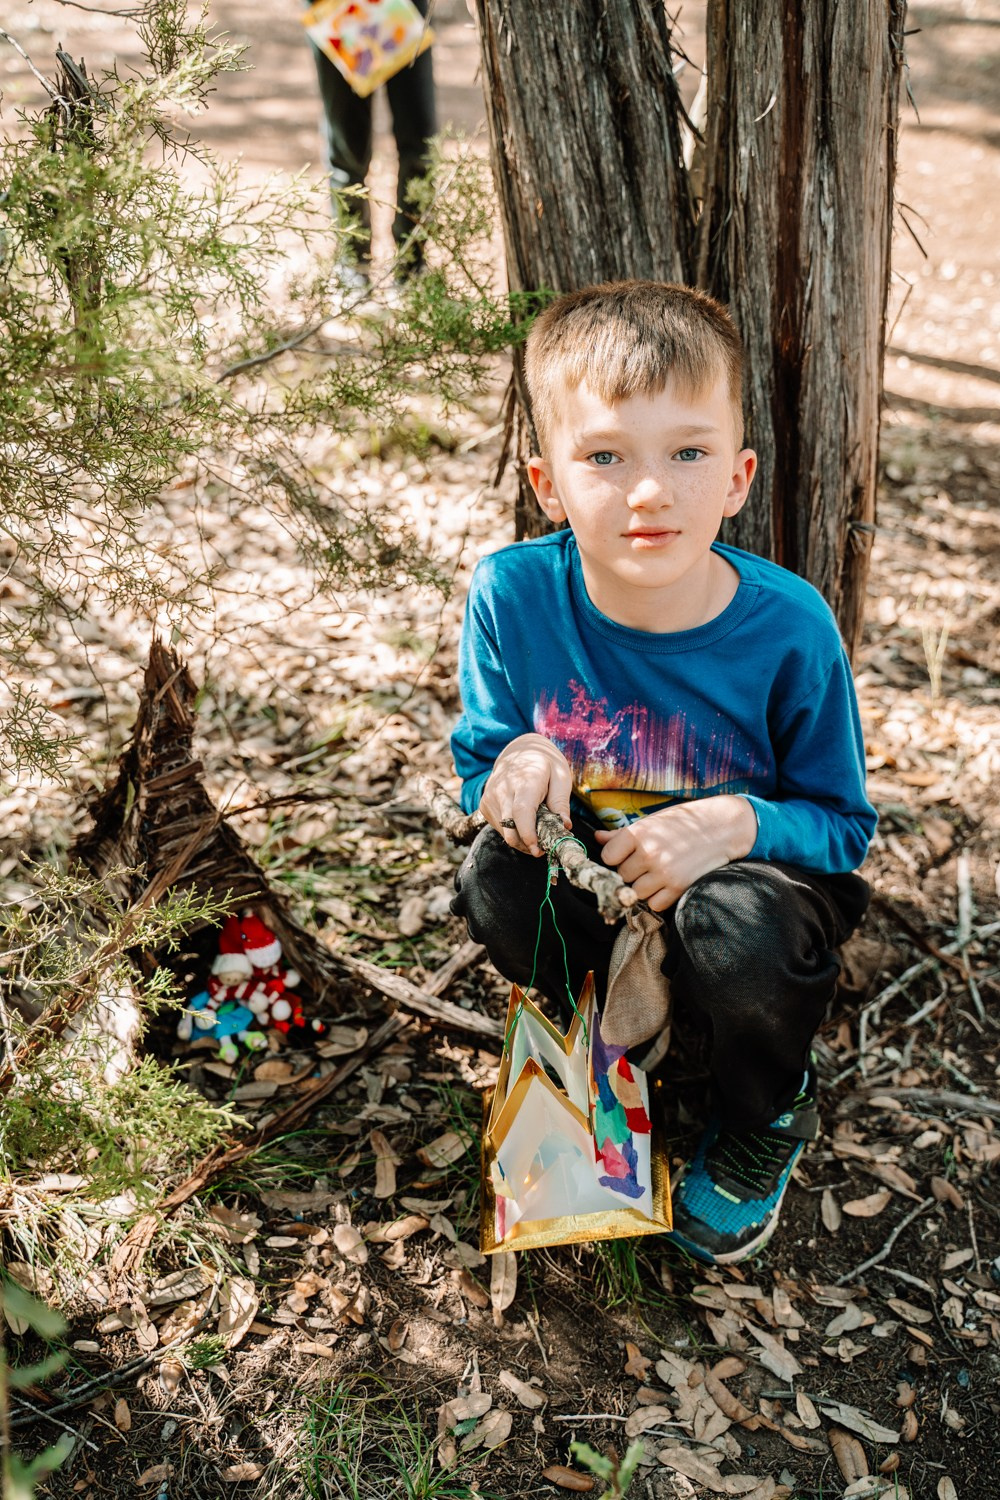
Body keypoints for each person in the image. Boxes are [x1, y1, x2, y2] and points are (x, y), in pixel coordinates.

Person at [450, 280, 876, 1266]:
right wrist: (520, 761)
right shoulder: (511, 596)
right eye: (604, 457)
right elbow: (482, 770)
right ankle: (599, 1050)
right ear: (547, 483)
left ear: (737, 475)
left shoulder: (787, 626)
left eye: (688, 453)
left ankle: (763, 1107)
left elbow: (841, 827)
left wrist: (735, 825)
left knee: (734, 927)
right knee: (494, 878)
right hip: (596, 885)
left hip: (746, 896)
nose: (649, 491)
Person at [307, 0, 437, 283]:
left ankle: (411, 269)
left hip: (404, 7)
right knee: (347, 151)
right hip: (337, 8)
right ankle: (353, 267)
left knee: (420, 145)